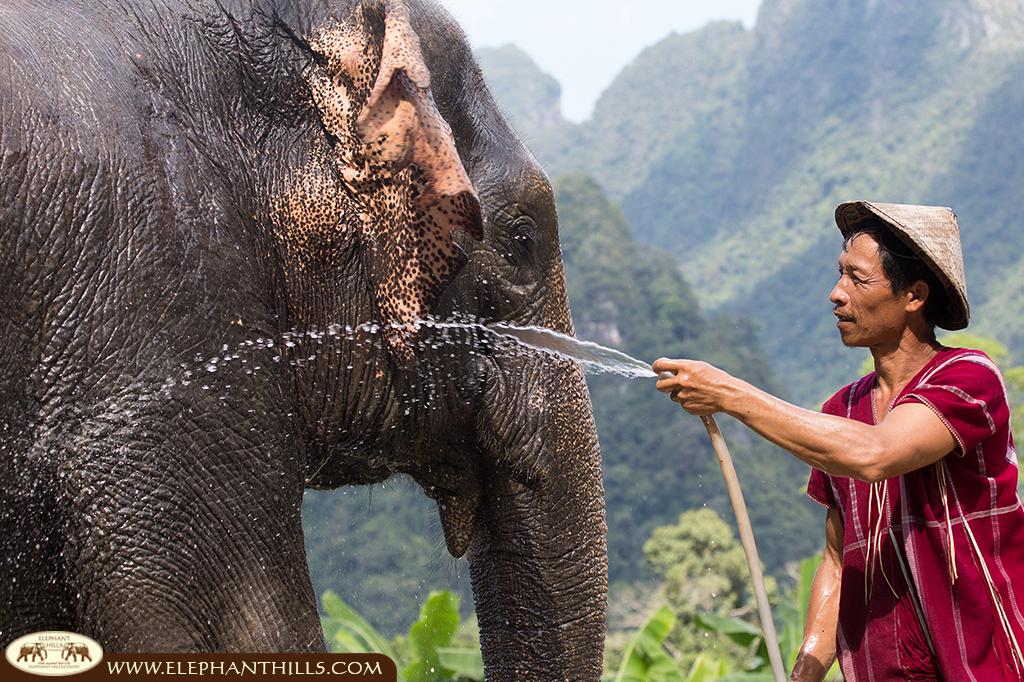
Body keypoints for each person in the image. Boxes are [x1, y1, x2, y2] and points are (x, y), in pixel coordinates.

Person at [654, 201, 1024, 681]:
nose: (836, 294)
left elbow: (877, 455)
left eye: (857, 279)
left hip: (980, 666)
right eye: (839, 275)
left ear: (913, 295)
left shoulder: (968, 379)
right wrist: (807, 667)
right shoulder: (842, 411)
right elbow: (836, 556)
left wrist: (729, 394)